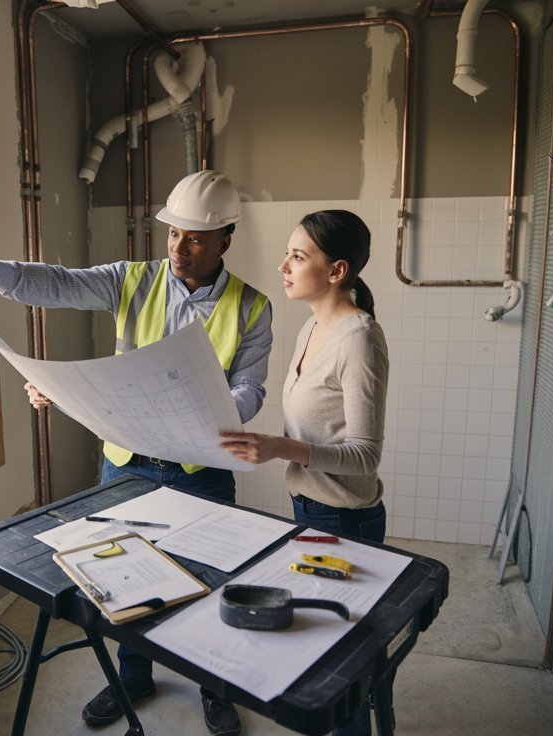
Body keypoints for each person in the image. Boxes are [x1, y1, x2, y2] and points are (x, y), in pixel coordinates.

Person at [0, 170, 271, 736]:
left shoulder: (252, 307)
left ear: (226, 239)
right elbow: (56, 283)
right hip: (126, 463)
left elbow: (250, 389)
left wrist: (212, 411)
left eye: (197, 238)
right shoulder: (131, 281)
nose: (180, 247)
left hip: (200, 468)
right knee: (124, 574)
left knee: (209, 578)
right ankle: (133, 676)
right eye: (175, 234)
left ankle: (215, 686)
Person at [219, 209, 388, 736]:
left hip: (348, 522)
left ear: (337, 270)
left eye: (298, 256)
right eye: (288, 253)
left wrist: (281, 447)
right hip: (309, 511)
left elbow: (364, 455)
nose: (283, 265)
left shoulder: (359, 338)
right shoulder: (312, 328)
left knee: (345, 672)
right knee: (324, 656)